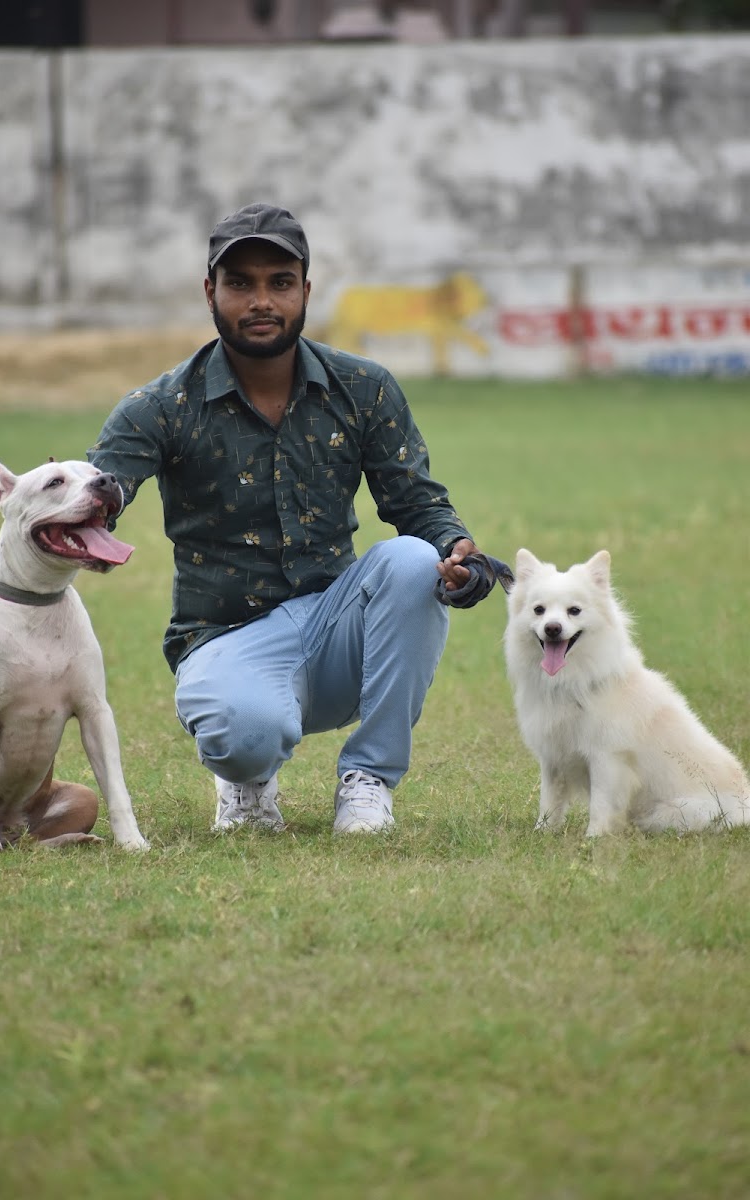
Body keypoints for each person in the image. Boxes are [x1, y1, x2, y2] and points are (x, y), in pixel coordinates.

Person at [85, 203, 510, 835]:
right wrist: (92, 506)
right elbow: (103, 485)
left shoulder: (362, 387)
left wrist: (458, 554)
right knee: (246, 736)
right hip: (224, 636)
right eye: (240, 283)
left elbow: (417, 503)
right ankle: (247, 779)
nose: (261, 301)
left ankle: (368, 780)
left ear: (306, 291)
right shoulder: (163, 404)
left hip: (335, 627)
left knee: (413, 559)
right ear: (210, 292)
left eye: (279, 282)